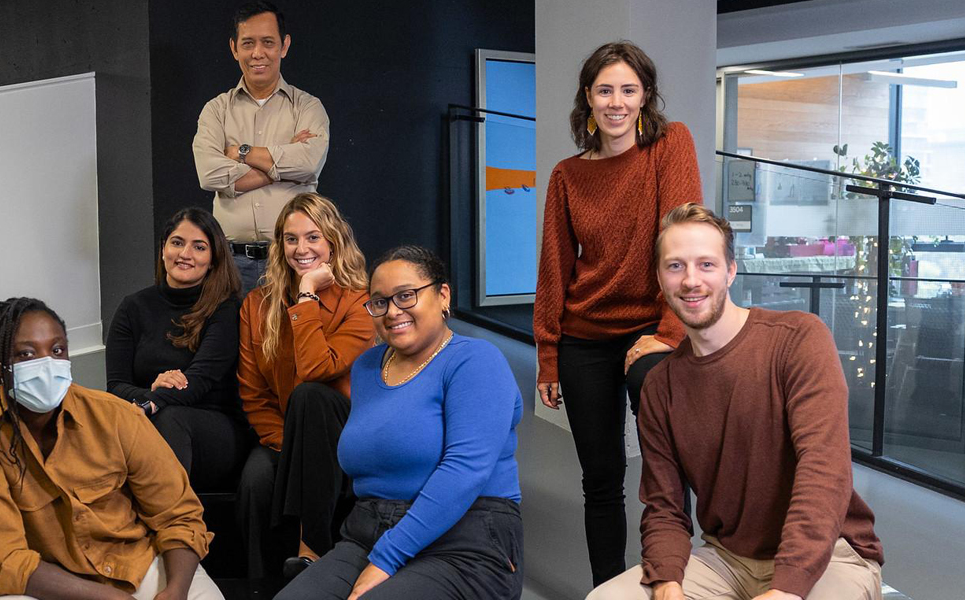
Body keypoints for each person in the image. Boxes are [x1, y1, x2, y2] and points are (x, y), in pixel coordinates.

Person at [587, 204, 884, 600]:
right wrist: (666, 579)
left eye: (706, 264)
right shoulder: (659, 386)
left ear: (730, 270)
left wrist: (787, 588)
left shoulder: (798, 339)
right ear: (659, 279)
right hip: (728, 559)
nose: (691, 280)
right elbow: (664, 508)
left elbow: (824, 471)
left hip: (831, 555)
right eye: (675, 267)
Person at [533, 39, 702, 586]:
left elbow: (683, 240)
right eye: (605, 89)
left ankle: (669, 578)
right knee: (600, 479)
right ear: (588, 97)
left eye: (629, 89)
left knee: (666, 467)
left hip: (652, 330)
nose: (616, 101)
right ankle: (607, 587)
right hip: (584, 336)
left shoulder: (670, 145)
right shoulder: (567, 175)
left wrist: (672, 333)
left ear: (645, 96)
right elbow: (555, 267)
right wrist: (548, 354)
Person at [276, 245, 523, 600]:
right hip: (366, 534)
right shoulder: (367, 367)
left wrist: (387, 558)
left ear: (442, 295)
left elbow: (464, 471)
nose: (392, 312)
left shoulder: (476, 361)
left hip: (464, 540)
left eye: (406, 296)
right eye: (379, 302)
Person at [0, 298, 225, 600]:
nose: (47, 364)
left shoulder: (116, 416)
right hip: (51, 584)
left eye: (57, 351)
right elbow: (6, 560)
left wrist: (174, 591)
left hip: (137, 564)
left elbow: (178, 515)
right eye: (26, 354)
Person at [238, 193, 374, 578]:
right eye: (291, 238)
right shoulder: (256, 305)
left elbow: (317, 369)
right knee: (255, 481)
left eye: (313, 237)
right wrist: (289, 444)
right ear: (279, 245)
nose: (301, 249)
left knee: (310, 395)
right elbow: (253, 393)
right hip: (282, 436)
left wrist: (307, 295)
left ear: (333, 242)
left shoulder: (359, 303)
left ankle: (312, 551)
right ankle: (260, 584)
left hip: (343, 435)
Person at [193, 1, 330, 292]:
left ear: (284, 45)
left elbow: (307, 163)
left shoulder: (308, 108)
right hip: (229, 263)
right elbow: (209, 175)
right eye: (248, 43)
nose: (258, 53)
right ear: (234, 48)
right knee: (234, 338)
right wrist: (282, 165)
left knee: (296, 336)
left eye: (268, 42)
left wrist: (240, 153)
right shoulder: (215, 111)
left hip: (293, 259)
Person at [106, 207, 247, 490]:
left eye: (199, 247)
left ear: (213, 259)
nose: (185, 254)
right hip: (149, 419)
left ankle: (176, 527)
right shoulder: (132, 307)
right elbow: (116, 386)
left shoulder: (226, 308)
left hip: (214, 430)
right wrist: (152, 394)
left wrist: (155, 400)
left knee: (170, 419)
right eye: (177, 242)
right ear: (163, 249)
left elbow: (200, 380)